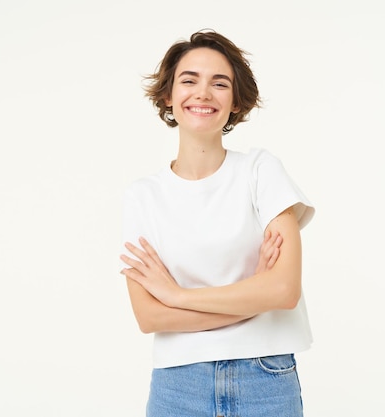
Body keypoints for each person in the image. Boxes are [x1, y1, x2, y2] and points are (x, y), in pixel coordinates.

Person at [120, 29, 315, 417]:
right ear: (167, 95)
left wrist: (177, 297)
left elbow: (283, 290)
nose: (203, 93)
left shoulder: (262, 171)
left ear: (236, 101)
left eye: (219, 83)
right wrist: (250, 295)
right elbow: (149, 317)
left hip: (265, 378)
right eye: (189, 80)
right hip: (178, 384)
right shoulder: (143, 195)